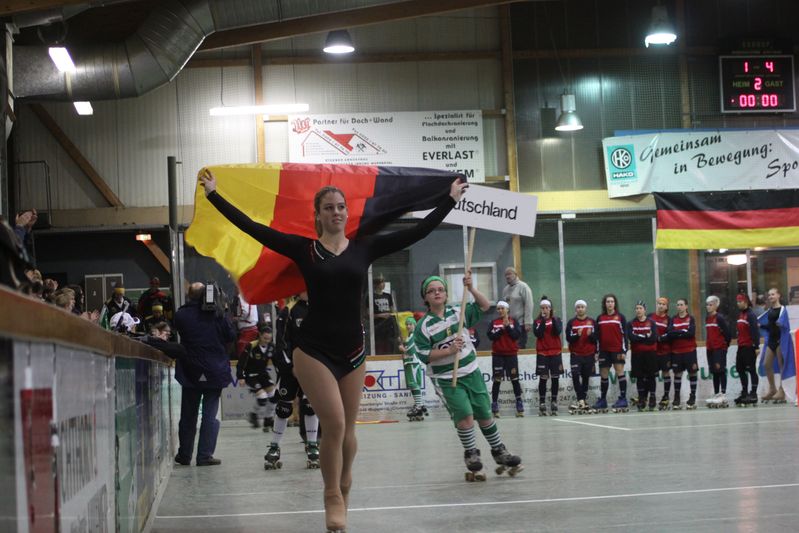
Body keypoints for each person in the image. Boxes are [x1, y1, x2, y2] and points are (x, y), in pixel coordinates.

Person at [200, 169, 465, 532]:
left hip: (353, 351)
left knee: (349, 430)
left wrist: (449, 200)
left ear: (346, 211)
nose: (336, 212)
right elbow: (253, 228)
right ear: (318, 214)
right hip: (313, 351)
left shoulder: (364, 248)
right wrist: (214, 195)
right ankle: (331, 495)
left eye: (341, 206)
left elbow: (417, 231)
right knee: (334, 424)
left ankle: (345, 481)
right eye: (328, 207)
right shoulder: (304, 249)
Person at [413, 274, 522, 482]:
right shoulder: (423, 326)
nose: (437, 293)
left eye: (440, 289)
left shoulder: (458, 311)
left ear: (446, 294)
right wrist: (449, 351)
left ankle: (499, 451)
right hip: (447, 377)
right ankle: (471, 453)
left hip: (471, 371)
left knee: (484, 412)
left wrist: (471, 288)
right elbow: (424, 355)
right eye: (431, 291)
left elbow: (484, 305)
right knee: (464, 414)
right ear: (425, 297)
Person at [173, 282, 237, 466]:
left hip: (190, 370)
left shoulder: (181, 314)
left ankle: (184, 455)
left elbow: (178, 329)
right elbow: (231, 336)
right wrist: (223, 311)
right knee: (210, 415)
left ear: (189, 295)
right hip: (215, 370)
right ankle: (204, 455)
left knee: (188, 415)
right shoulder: (218, 314)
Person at [264, 291, 321, 469]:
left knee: (310, 406)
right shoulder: (288, 311)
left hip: (312, 368)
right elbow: (281, 343)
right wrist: (291, 367)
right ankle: (275, 446)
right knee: (284, 408)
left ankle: (312, 445)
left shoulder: (320, 309)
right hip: (291, 369)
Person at [237, 323, 278, 430]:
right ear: (259, 335)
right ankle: (254, 415)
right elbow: (241, 363)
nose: (267, 341)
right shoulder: (251, 346)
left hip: (263, 374)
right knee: (262, 397)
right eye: (265, 338)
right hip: (251, 375)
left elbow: (277, 362)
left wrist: (281, 374)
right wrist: (240, 377)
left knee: (274, 395)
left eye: (269, 339)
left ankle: (268, 419)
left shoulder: (271, 347)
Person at [486, 300, 523, 418]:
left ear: (507, 309)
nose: (500, 310)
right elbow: (491, 336)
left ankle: (519, 403)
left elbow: (516, 335)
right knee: (497, 380)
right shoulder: (494, 322)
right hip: (498, 355)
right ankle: (494, 404)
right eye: (498, 308)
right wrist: (502, 329)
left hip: (511, 355)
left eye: (502, 308)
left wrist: (508, 327)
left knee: (514, 379)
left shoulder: (514, 321)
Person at [595, 294, 628, 413]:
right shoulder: (600, 318)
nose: (610, 303)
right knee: (604, 374)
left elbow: (625, 335)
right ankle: (603, 400)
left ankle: (623, 399)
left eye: (612, 301)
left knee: (620, 372)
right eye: (608, 301)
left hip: (617, 350)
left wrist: (624, 350)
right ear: (605, 304)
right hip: (604, 351)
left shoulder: (620, 317)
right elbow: (597, 336)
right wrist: (597, 352)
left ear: (615, 304)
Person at [759, 287, 793, 404]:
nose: (770, 297)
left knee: (781, 365)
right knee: (766, 364)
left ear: (778, 295)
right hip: (771, 341)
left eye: (773, 294)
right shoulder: (769, 311)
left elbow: (785, 325)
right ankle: (772, 388)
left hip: (780, 340)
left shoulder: (783, 310)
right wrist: (761, 326)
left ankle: (782, 390)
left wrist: (781, 324)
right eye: (769, 295)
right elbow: (770, 326)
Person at [566, 299, 597, 414]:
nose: (580, 309)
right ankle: (581, 400)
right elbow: (568, 338)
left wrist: (591, 335)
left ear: (585, 308)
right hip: (576, 354)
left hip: (589, 355)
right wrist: (576, 335)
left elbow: (596, 338)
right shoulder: (571, 322)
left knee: (585, 378)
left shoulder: (592, 322)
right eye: (578, 307)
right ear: (576, 309)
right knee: (575, 376)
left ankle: (581, 401)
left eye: (582, 307)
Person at [533, 297, 563, 416]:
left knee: (555, 378)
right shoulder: (537, 321)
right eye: (543, 308)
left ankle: (554, 401)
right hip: (543, 354)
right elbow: (539, 334)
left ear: (550, 309)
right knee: (543, 378)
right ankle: (542, 403)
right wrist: (543, 321)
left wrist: (552, 319)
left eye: (547, 308)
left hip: (555, 353)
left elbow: (557, 332)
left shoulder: (557, 319)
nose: (545, 310)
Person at [626, 301, 658, 411]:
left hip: (650, 354)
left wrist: (639, 337)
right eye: (637, 308)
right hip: (637, 354)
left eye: (640, 308)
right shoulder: (631, 323)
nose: (638, 310)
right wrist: (645, 336)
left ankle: (652, 398)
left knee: (651, 376)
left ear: (644, 310)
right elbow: (632, 338)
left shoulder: (651, 322)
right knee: (639, 377)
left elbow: (653, 338)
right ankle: (642, 398)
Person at [668, 298, 698, 410]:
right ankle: (677, 398)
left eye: (681, 304)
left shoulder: (691, 318)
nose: (679, 307)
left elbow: (691, 333)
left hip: (690, 351)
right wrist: (683, 331)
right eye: (678, 305)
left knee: (692, 373)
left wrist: (678, 333)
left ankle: (692, 396)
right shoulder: (673, 319)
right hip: (677, 352)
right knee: (677, 374)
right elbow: (670, 333)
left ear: (686, 306)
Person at [704, 295, 732, 408]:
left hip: (719, 349)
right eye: (707, 305)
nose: (708, 307)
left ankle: (723, 394)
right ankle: (716, 394)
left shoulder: (720, 318)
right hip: (710, 349)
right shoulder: (707, 318)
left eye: (710, 305)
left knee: (720, 371)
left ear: (716, 305)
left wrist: (724, 346)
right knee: (714, 372)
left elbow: (728, 334)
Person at [734, 294, 760, 406]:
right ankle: (744, 392)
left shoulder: (751, 315)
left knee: (751, 370)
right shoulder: (741, 314)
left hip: (749, 346)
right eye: (737, 301)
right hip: (741, 346)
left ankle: (753, 394)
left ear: (745, 302)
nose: (738, 303)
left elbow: (755, 331)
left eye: (740, 301)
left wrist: (756, 346)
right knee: (740, 369)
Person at [401, 316, 426, 422]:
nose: (408, 326)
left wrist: (403, 348)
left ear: (414, 325)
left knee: (414, 384)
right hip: (409, 362)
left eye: (410, 324)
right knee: (412, 384)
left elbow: (411, 350)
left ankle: (419, 406)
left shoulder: (415, 335)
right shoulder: (410, 336)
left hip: (413, 362)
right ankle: (418, 404)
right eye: (407, 324)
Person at [649, 297, 673, 410]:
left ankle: (666, 397)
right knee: (652, 374)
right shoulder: (650, 316)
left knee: (666, 373)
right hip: (653, 351)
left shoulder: (669, 319)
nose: (661, 306)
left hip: (665, 351)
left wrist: (659, 338)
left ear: (666, 307)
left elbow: (670, 334)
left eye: (663, 304)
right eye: (659, 304)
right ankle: (652, 396)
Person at [502, 267, 534, 349]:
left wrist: (528, 322)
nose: (507, 276)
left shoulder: (523, 287)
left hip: (521, 324)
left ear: (516, 275)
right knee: (509, 347)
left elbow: (529, 304)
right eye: (506, 275)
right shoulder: (505, 290)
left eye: (509, 274)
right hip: (509, 324)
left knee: (519, 347)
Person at [372, 273, 400, 354]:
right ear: (376, 284)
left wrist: (391, 314)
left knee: (389, 343)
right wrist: (381, 315)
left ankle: (390, 354)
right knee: (379, 344)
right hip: (378, 325)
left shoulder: (388, 296)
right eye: (381, 282)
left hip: (388, 325)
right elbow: (368, 315)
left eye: (384, 282)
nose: (383, 284)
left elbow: (392, 310)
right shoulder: (372, 297)